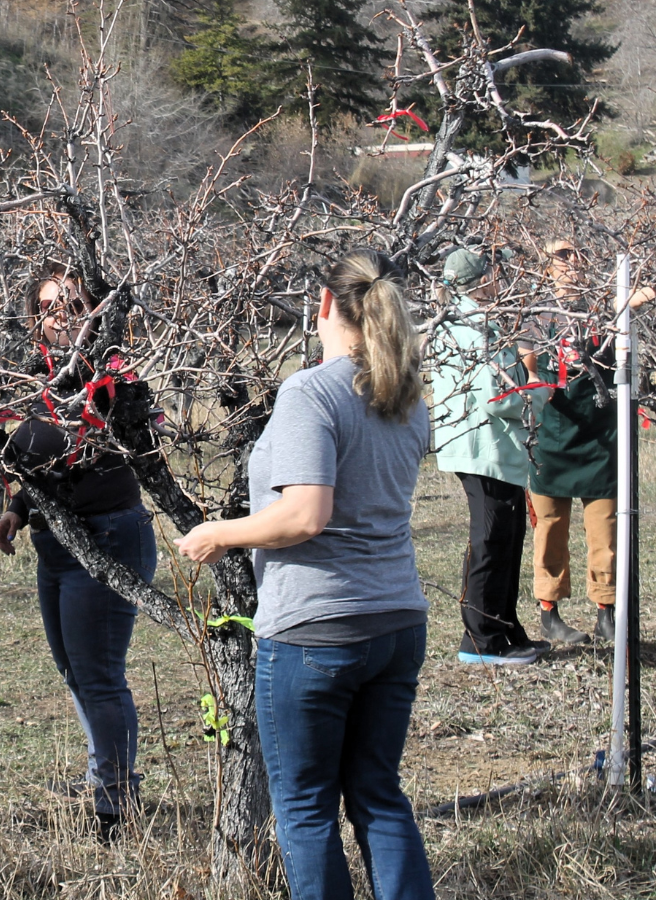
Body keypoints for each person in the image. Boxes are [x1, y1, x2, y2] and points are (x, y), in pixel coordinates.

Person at [175, 248, 434, 900]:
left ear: (323, 305)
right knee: (378, 794)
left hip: (316, 631)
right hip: (398, 620)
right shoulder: (405, 397)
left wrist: (218, 533)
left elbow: (305, 514)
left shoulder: (311, 392)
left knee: (305, 805)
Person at [0, 264, 157, 840]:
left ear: (95, 311)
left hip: (107, 535)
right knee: (74, 671)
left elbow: (118, 456)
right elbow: (42, 466)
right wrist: (18, 507)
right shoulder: (40, 378)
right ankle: (105, 777)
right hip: (55, 543)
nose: (60, 317)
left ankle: (115, 803)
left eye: (72, 305)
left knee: (99, 675)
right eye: (48, 308)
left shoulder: (112, 377)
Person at [429, 247, 550, 665]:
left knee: (505, 539)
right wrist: (539, 391)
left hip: (485, 449)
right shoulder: (477, 329)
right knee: (492, 542)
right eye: (496, 271)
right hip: (485, 450)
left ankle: (505, 630)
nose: (503, 278)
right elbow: (498, 398)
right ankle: (481, 640)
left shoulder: (459, 322)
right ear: (481, 280)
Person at [526, 238, 619, 645]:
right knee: (550, 528)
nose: (571, 263)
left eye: (577, 254)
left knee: (605, 530)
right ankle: (550, 612)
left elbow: (634, 303)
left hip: (599, 437)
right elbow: (529, 368)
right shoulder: (535, 314)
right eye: (561, 257)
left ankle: (606, 611)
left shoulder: (604, 311)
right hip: (552, 436)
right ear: (547, 266)